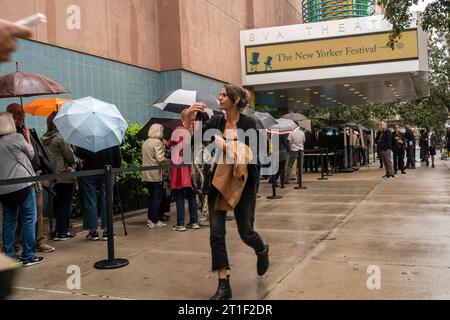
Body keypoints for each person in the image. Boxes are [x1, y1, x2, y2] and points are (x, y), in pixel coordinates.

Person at [184, 84, 269, 300]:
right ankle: (224, 284)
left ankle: (261, 250)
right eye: (220, 95)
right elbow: (194, 141)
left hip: (243, 184)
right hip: (218, 182)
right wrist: (187, 118)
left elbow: (255, 156)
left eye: (223, 95)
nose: (219, 98)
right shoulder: (216, 121)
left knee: (246, 232)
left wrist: (225, 146)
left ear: (235, 99)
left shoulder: (250, 123)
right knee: (216, 234)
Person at [6, 103, 55, 254]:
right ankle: (18, 246)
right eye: (18, 113)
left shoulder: (26, 131)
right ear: (10, 116)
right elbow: (30, 154)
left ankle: (38, 241)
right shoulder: (9, 135)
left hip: (34, 176)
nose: (22, 116)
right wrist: (26, 139)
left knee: (37, 212)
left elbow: (37, 155)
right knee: (20, 215)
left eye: (23, 113)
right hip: (19, 180)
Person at [0, 112, 44, 267]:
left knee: (8, 221)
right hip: (23, 185)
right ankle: (28, 256)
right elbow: (31, 154)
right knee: (29, 218)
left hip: (4, 189)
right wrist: (27, 137)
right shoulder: (17, 138)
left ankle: (10, 257)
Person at [42, 112, 78, 240]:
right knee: (65, 203)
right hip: (65, 174)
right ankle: (63, 231)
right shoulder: (61, 137)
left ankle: (57, 231)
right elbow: (70, 157)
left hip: (52, 175)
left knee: (58, 204)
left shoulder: (45, 138)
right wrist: (77, 159)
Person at [77, 146, 122, 241]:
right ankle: (107, 230)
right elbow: (117, 154)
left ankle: (93, 231)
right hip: (108, 170)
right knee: (107, 200)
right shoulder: (110, 133)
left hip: (89, 170)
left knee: (90, 200)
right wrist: (117, 168)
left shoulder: (87, 134)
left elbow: (80, 153)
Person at [169, 112, 199, 231]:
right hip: (191, 166)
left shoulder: (179, 130)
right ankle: (194, 221)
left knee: (179, 195)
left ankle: (180, 224)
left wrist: (168, 143)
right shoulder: (196, 131)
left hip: (180, 167)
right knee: (191, 195)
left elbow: (172, 142)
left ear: (182, 118)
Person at [142, 124, 169, 229]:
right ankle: (154, 220)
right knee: (156, 198)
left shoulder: (146, 142)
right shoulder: (158, 142)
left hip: (146, 174)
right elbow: (160, 159)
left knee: (151, 197)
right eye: (162, 130)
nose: (163, 132)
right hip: (155, 175)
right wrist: (168, 160)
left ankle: (150, 219)